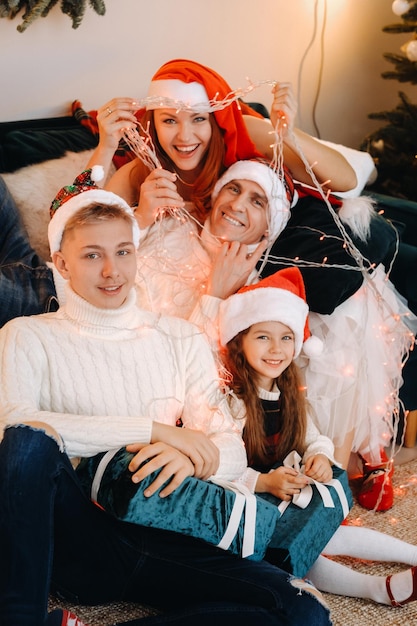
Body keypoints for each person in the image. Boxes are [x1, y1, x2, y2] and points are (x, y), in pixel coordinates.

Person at [0, 170, 331, 626]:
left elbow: (229, 445)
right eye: (92, 255)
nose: (112, 271)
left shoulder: (179, 337)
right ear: (61, 263)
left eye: (123, 252)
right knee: (29, 441)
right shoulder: (26, 335)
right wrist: (154, 432)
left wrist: (198, 459)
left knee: (304, 612)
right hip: (84, 537)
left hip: (170, 529)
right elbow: (18, 427)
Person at [217, 267, 417, 607]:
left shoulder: (288, 392)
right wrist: (264, 483)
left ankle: (412, 553)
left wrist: (321, 456)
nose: (276, 348)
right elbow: (220, 468)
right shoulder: (232, 402)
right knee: (300, 551)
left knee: (325, 532)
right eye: (263, 337)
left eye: (286, 337)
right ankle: (376, 590)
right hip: (247, 499)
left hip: (287, 491)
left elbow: (315, 437)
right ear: (240, 342)